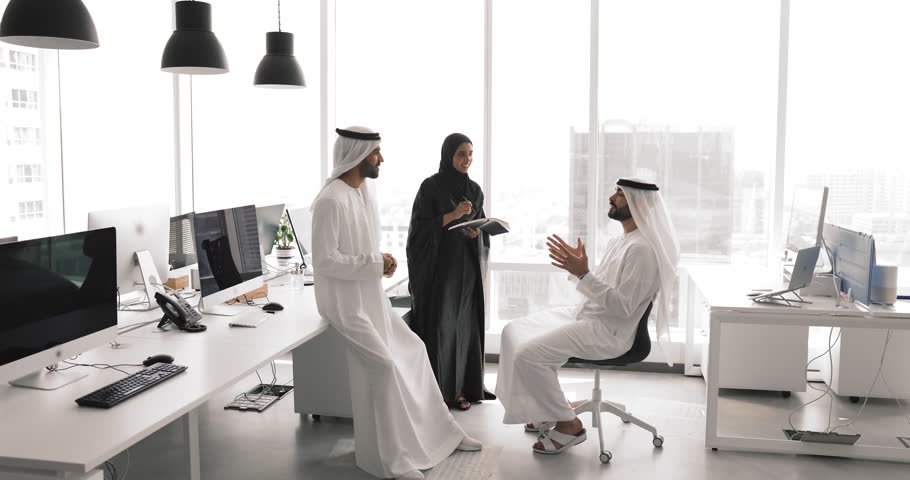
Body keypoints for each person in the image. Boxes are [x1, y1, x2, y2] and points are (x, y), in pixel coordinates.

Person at [311, 126, 482, 480]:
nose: (381, 159)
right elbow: (325, 261)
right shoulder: (330, 200)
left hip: (369, 297)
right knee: (385, 368)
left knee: (416, 350)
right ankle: (393, 461)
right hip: (346, 304)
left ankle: (444, 434)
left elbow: (357, 250)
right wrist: (375, 263)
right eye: (376, 153)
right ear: (358, 155)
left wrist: (380, 261)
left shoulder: (360, 193)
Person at [494, 178, 679, 455]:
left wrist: (583, 273)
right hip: (586, 315)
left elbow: (623, 307)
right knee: (513, 330)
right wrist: (579, 269)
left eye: (620, 194)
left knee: (528, 355)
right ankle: (543, 409)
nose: (612, 197)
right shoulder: (623, 240)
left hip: (608, 332)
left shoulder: (642, 250)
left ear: (639, 203)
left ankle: (569, 425)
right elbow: (600, 287)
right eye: (615, 191)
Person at [406, 133, 495, 411]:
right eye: (461, 154)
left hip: (466, 269)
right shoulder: (431, 187)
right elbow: (419, 231)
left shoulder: (475, 190)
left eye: (470, 154)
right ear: (448, 155)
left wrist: (476, 232)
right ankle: (439, 393)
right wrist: (453, 216)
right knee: (442, 329)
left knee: (464, 328)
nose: (467, 160)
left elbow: (480, 226)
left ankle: (463, 388)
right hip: (439, 271)